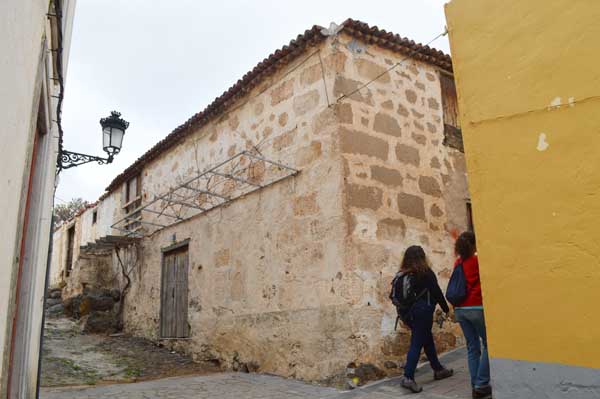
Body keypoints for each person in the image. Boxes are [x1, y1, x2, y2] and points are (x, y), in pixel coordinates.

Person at [398, 245, 453, 393]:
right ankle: (408, 377)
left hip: (408, 314)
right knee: (417, 343)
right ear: (422, 257)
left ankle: (438, 369)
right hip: (423, 313)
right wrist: (446, 309)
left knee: (426, 339)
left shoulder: (402, 273)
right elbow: (436, 292)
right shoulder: (426, 273)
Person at [453, 232, 492, 398]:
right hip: (476, 307)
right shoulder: (477, 261)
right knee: (489, 345)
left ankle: (475, 384)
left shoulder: (458, 262)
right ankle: (481, 384)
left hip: (460, 309)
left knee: (471, 347)